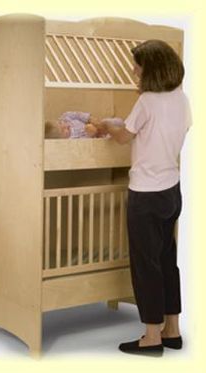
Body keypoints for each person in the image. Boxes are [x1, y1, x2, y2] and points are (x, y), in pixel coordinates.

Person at [98, 39, 192, 356]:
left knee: (145, 265)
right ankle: (172, 329)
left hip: (146, 195)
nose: (133, 71)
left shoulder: (147, 102)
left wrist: (110, 125)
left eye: (136, 66)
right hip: (171, 191)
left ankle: (151, 337)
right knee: (167, 261)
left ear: (149, 68)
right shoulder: (181, 99)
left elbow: (125, 136)